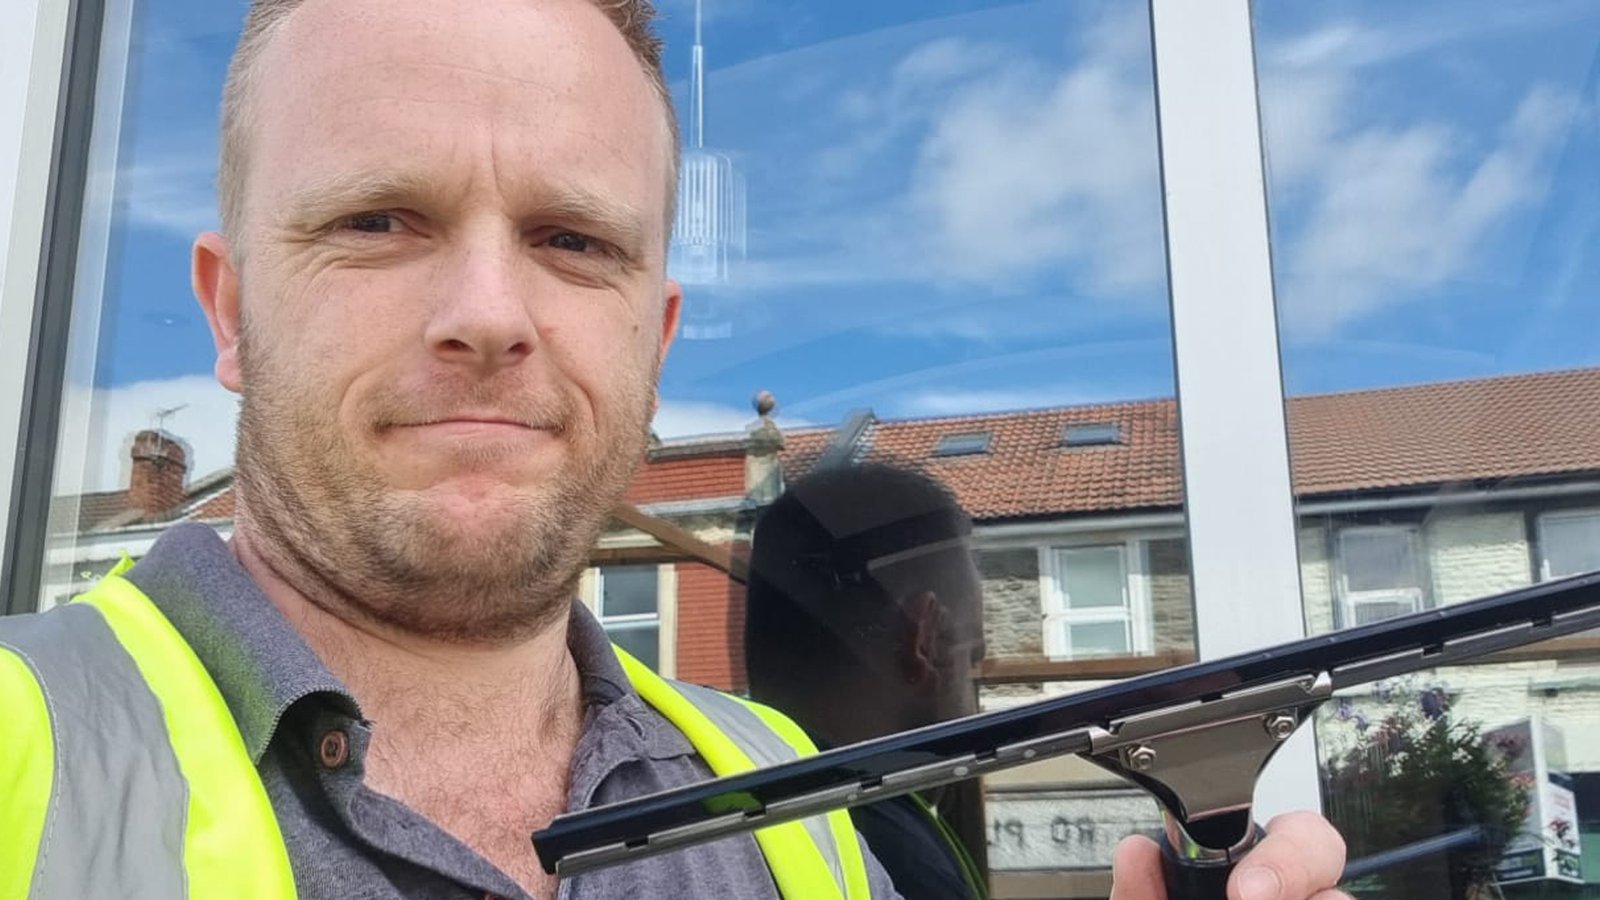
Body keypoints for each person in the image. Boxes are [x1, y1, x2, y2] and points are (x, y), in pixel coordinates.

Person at [0, 1, 1353, 899]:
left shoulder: (795, 811)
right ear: (232, 312)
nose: (488, 316)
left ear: (651, 342)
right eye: (378, 221)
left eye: (572, 240)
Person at [746, 463, 992, 899]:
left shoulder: (698, 815)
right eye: (971, 659)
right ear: (925, 641)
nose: (975, 707)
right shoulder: (898, 864)